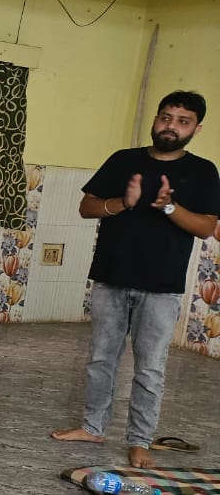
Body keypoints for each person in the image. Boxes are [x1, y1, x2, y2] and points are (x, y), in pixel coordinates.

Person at [50, 90, 219, 468]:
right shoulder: (123, 160)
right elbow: (86, 207)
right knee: (101, 359)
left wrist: (170, 206)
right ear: (156, 119)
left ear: (196, 129)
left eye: (183, 121)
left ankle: (140, 441)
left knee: (150, 367)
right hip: (111, 277)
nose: (171, 126)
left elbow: (206, 227)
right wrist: (121, 204)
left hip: (161, 287)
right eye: (166, 117)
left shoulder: (204, 171)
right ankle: (93, 427)